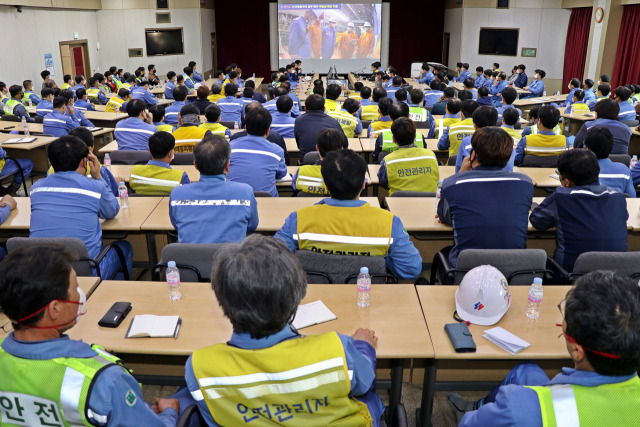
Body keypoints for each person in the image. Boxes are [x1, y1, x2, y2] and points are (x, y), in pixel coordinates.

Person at [180, 234, 385, 426]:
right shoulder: (336, 350)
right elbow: (364, 381)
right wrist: (363, 346)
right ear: (296, 297)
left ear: (221, 299)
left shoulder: (199, 367)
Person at [0, 246, 180, 426]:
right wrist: (169, 414)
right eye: (75, 288)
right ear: (55, 309)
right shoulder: (102, 379)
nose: (80, 295)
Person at [451, 270, 640, 426]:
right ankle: (480, 405)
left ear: (577, 351)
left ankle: (476, 411)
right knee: (526, 371)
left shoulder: (517, 409)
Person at [276, 149, 422, 279]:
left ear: (326, 186)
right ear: (364, 184)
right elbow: (410, 269)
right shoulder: (390, 223)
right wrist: (384, 260)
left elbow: (273, 261)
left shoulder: (298, 220)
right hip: (368, 300)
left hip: (312, 299)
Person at [30, 136, 133, 279]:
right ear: (85, 161)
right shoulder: (94, 187)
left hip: (42, 271)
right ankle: (113, 295)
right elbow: (111, 211)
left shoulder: (36, 188)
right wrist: (98, 176)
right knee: (124, 247)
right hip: (84, 272)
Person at [438, 127, 533, 268]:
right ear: (508, 157)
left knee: (445, 251)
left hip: (467, 269)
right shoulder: (525, 183)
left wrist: (461, 174)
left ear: (473, 154)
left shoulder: (452, 184)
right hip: (512, 269)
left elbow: (446, 218)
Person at [530, 150, 627, 271]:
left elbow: (537, 220)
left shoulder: (561, 197)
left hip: (570, 276)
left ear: (567, 182)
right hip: (615, 276)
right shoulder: (618, 197)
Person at [169, 136, 258, 244]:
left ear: (195, 165)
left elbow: (176, 224)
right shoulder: (245, 192)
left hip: (189, 259)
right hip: (230, 259)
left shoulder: (177, 194)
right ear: (228, 165)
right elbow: (252, 225)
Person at [228, 107, 288, 197]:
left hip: (235, 200)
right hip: (268, 202)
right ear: (268, 131)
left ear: (246, 128)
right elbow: (281, 175)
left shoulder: (230, 147)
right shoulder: (277, 151)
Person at [378, 117, 439, 195]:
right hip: (429, 205)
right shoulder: (431, 156)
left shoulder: (387, 161)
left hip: (397, 206)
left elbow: (383, 182)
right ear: (415, 136)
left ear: (393, 139)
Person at [455, 106, 516, 173]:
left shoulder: (467, 141)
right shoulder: (506, 142)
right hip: (504, 180)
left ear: (475, 126)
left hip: (472, 180)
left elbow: (458, 169)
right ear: (496, 123)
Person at [582, 127, 635, 197]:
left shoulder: (580, 170)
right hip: (616, 207)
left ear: (587, 149)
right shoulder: (624, 170)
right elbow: (632, 198)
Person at [293, 128, 344, 195]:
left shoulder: (301, 172)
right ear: (342, 149)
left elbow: (295, 188)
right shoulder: (351, 173)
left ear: (317, 148)